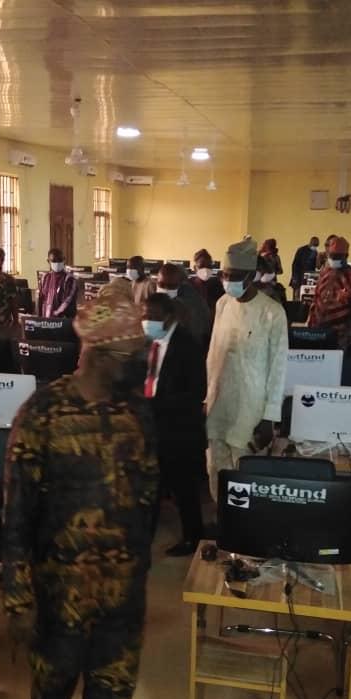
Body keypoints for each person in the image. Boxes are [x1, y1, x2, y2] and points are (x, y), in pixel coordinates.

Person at [3, 285, 157, 699]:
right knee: (53, 687)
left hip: (122, 597)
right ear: (101, 356)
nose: (141, 365)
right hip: (59, 593)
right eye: (132, 357)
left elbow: (149, 499)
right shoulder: (42, 413)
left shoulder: (138, 414)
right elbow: (16, 512)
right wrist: (18, 598)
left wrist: (139, 569)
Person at [205, 238, 288, 502]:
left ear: (251, 276)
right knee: (216, 469)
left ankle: (240, 523)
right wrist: (207, 399)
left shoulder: (272, 312)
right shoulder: (222, 304)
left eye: (235, 276)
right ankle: (220, 518)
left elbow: (278, 368)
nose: (228, 281)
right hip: (219, 403)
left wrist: (269, 417)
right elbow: (213, 355)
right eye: (225, 275)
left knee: (244, 479)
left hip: (251, 409)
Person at [143, 293, 207, 556]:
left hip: (180, 430)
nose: (147, 321)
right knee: (150, 486)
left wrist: (154, 404)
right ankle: (143, 536)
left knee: (184, 489)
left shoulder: (188, 346)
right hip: (152, 427)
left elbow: (196, 392)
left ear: (169, 318)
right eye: (145, 315)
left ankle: (193, 537)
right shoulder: (149, 342)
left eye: (153, 317)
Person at [307, 236, 351, 349]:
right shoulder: (324, 272)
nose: (333, 259)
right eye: (331, 256)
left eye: (337, 257)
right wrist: (310, 323)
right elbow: (316, 298)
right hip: (319, 330)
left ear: (346, 256)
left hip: (342, 334)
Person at [155, 262, 210, 347]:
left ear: (181, 283)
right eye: (161, 285)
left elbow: (195, 334)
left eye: (171, 286)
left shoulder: (190, 303)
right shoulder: (164, 298)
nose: (165, 289)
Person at [38, 248, 78, 318]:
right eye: (54, 261)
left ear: (64, 260)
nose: (57, 263)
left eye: (60, 260)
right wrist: (39, 319)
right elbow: (41, 299)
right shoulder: (45, 278)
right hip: (46, 320)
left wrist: (56, 313)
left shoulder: (69, 279)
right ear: (48, 261)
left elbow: (67, 301)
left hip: (63, 320)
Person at [190, 249, 224, 320]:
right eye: (201, 266)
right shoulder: (188, 286)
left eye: (209, 266)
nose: (205, 270)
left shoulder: (218, 285)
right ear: (195, 268)